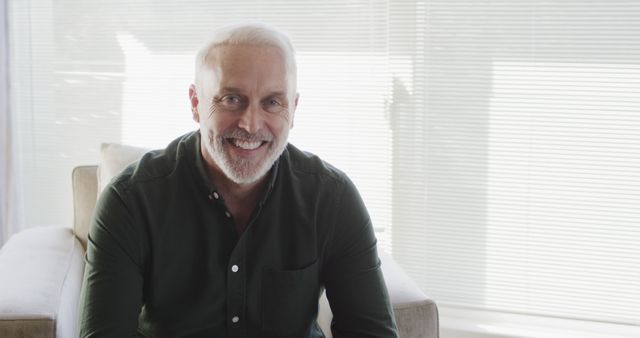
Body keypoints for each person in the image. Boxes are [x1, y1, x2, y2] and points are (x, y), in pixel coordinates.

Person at [78, 22, 398, 338]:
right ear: (195, 103)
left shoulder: (332, 198)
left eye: (272, 102)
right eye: (232, 99)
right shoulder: (130, 201)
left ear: (293, 108)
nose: (251, 123)